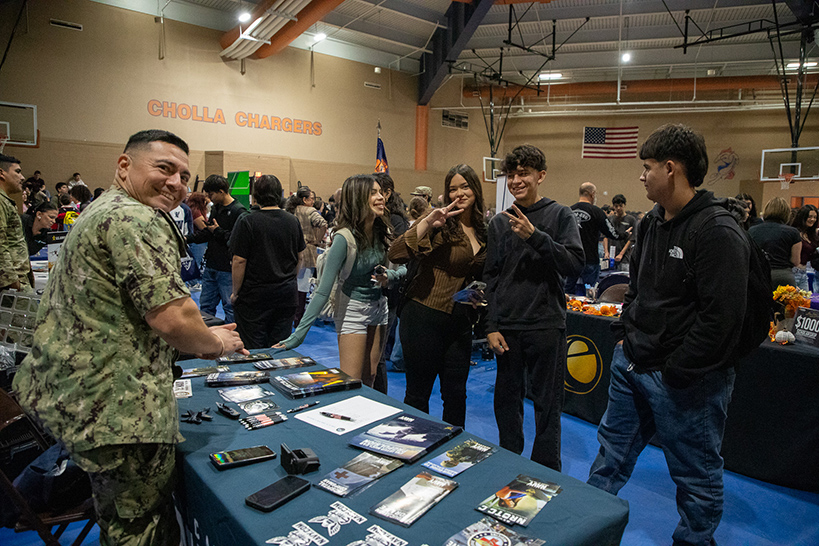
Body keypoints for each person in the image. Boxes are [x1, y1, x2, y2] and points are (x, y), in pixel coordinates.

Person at [12, 130, 246, 546]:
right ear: (124, 165)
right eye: (164, 168)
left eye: (185, 176)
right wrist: (216, 344)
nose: (176, 182)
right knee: (140, 529)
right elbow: (173, 319)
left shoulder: (106, 209)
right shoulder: (133, 218)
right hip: (119, 409)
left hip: (81, 396)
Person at [587, 123, 750, 546]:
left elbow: (723, 319)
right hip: (632, 366)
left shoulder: (718, 231)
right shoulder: (650, 224)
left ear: (671, 169)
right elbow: (637, 288)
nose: (642, 176)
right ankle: (588, 534)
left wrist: (678, 369)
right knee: (608, 461)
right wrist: (625, 335)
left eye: (647, 167)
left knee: (695, 478)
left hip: (685, 380)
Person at [484, 144, 584, 471]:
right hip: (508, 329)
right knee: (506, 403)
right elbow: (492, 278)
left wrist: (535, 236)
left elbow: (573, 264)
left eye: (523, 173)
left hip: (545, 326)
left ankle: (545, 471)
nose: (516, 180)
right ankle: (508, 464)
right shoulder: (499, 223)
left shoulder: (560, 215)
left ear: (540, 176)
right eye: (511, 175)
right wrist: (492, 325)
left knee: (547, 406)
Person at [276, 174, 401, 387]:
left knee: (371, 376)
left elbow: (402, 268)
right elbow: (322, 291)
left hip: (379, 307)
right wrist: (298, 336)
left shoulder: (384, 232)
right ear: (357, 199)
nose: (381, 197)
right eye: (373, 193)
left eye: (381, 192)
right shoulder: (344, 238)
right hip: (353, 308)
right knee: (350, 382)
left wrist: (390, 276)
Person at [389, 164, 487, 427]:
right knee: (418, 394)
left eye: (465, 186)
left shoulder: (483, 229)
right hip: (423, 314)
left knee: (456, 394)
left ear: (475, 189)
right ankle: (410, 450)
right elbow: (396, 253)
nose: (459, 193)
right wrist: (427, 223)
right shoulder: (439, 222)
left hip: (460, 321)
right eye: (453, 188)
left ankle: (453, 454)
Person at [230, 174, 305, 348]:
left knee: (254, 349)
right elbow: (299, 256)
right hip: (285, 294)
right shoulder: (292, 221)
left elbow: (239, 260)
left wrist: (235, 292)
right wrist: (289, 279)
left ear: (255, 195)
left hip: (255, 296)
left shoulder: (247, 221)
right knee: (278, 348)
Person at [189, 174, 247, 323]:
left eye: (211, 194)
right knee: (206, 307)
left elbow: (237, 240)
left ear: (221, 191)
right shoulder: (216, 208)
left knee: (230, 307)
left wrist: (217, 231)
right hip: (211, 267)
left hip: (227, 270)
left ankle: (232, 342)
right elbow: (208, 233)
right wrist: (187, 239)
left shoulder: (239, 212)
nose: (209, 198)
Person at [373, 172, 408, 392]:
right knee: (375, 356)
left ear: (387, 193)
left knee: (377, 357)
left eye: (378, 192)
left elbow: (403, 262)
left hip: (389, 295)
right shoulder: (381, 219)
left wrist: (389, 276)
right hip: (376, 296)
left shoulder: (395, 222)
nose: (374, 197)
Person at [565, 182, 627, 293]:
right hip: (590, 260)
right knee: (590, 293)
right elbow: (611, 233)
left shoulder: (568, 211)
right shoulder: (597, 212)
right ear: (592, 194)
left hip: (571, 259)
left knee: (566, 292)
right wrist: (624, 235)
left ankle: (567, 310)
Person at [286, 186, 328, 327]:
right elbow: (323, 224)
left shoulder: (290, 211)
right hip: (307, 251)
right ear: (304, 199)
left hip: (290, 250)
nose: (313, 201)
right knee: (303, 287)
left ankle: (289, 317)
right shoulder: (311, 211)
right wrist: (317, 240)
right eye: (312, 198)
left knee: (291, 283)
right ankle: (298, 321)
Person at [749, 197, 801, 288]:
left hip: (759, 275)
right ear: (786, 213)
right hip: (783, 275)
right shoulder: (793, 232)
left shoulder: (752, 230)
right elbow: (795, 261)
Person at [0, 153, 31, 291]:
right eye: (17, 171)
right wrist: (12, 282)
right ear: (1, 173)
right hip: (10, 285)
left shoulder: (5, 200)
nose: (22, 177)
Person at [603, 194, 637, 272]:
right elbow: (605, 236)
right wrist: (606, 252)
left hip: (625, 257)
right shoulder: (610, 219)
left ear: (624, 205)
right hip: (610, 256)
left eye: (620, 206)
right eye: (616, 206)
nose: (618, 208)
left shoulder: (631, 220)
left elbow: (632, 239)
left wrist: (621, 254)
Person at [790, 204, 818, 291]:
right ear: (803, 217)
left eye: (815, 217)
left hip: (804, 272)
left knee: (805, 302)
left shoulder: (811, 235)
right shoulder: (795, 233)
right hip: (793, 271)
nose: (812, 219)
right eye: (810, 217)